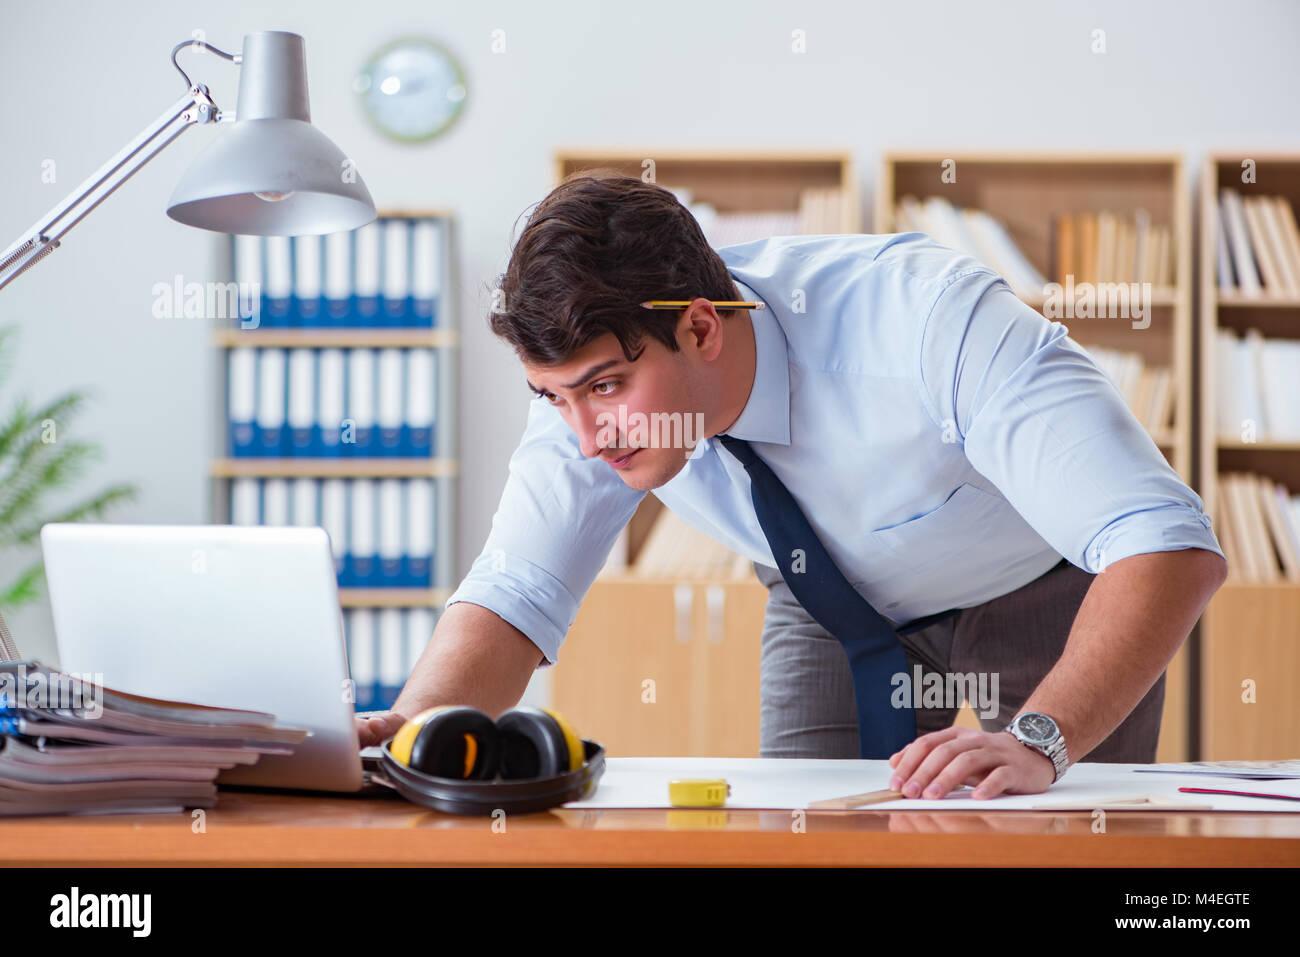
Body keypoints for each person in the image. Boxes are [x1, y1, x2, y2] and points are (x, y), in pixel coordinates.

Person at [357, 171, 1226, 800]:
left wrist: (1041, 739)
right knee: (808, 833)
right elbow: (516, 591)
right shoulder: (586, 405)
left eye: (604, 388)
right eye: (555, 397)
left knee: (1041, 829)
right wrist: (412, 736)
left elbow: (1168, 546)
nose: (584, 436)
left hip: (1040, 588)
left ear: (701, 327)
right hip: (831, 596)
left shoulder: (926, 321)